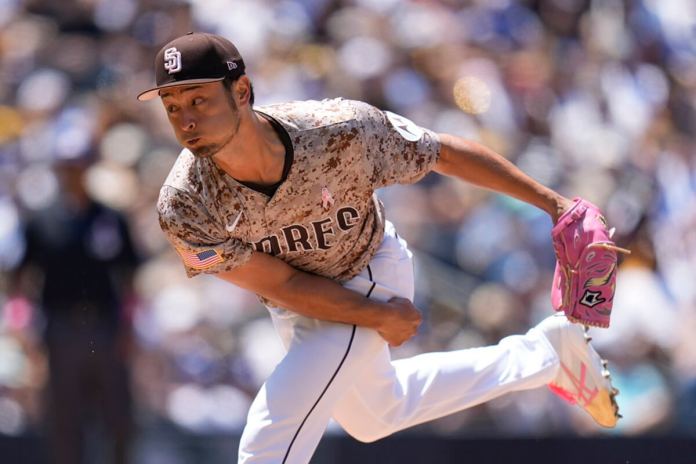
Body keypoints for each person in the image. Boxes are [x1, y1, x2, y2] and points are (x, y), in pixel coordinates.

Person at [138, 32, 620, 463]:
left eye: (198, 100)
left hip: (366, 268)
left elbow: (441, 153)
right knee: (375, 418)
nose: (185, 119)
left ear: (241, 91)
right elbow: (282, 283)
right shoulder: (184, 203)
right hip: (299, 302)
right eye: (173, 106)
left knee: (270, 436)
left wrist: (554, 205)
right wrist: (374, 318)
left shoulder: (335, 131)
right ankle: (546, 355)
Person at [13, 155, 138, 464]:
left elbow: (130, 274)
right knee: (64, 415)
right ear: (58, 170)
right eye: (67, 166)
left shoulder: (108, 218)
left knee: (117, 412)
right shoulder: (43, 221)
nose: (73, 173)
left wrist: (130, 327)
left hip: (105, 326)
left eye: (78, 165)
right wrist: (25, 330)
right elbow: (21, 277)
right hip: (60, 327)